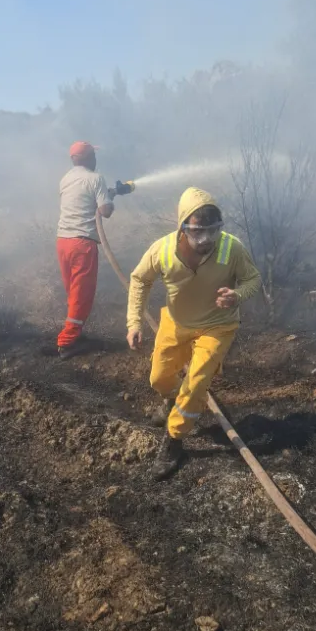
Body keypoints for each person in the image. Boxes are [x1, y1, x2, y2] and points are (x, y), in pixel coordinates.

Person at [126, 187, 261, 480]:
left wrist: (237, 295)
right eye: (198, 232)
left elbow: (253, 279)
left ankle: (174, 441)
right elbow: (140, 280)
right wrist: (134, 322)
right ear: (183, 227)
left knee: (196, 382)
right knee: (159, 378)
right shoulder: (162, 250)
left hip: (217, 326)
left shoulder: (231, 248)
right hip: (176, 323)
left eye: (213, 231)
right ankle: (171, 399)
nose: (206, 239)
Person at [56, 141, 115, 360]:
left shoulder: (66, 178)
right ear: (89, 158)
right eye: (94, 155)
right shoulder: (96, 178)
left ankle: (75, 333)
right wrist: (109, 199)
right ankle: (67, 342)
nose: (96, 159)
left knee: (73, 291)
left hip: (63, 241)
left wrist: (105, 194)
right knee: (82, 293)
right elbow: (105, 211)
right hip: (82, 244)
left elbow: (82, 200)